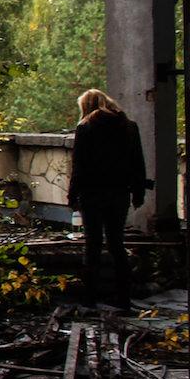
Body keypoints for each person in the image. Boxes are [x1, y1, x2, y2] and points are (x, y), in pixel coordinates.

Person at [67, 87, 147, 308]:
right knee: (116, 244)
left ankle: (90, 298)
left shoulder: (85, 128)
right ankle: (124, 299)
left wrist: (72, 195)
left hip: (92, 194)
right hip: (119, 193)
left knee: (93, 244)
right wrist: (138, 193)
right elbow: (137, 163)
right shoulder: (129, 127)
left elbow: (79, 166)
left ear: (86, 107)